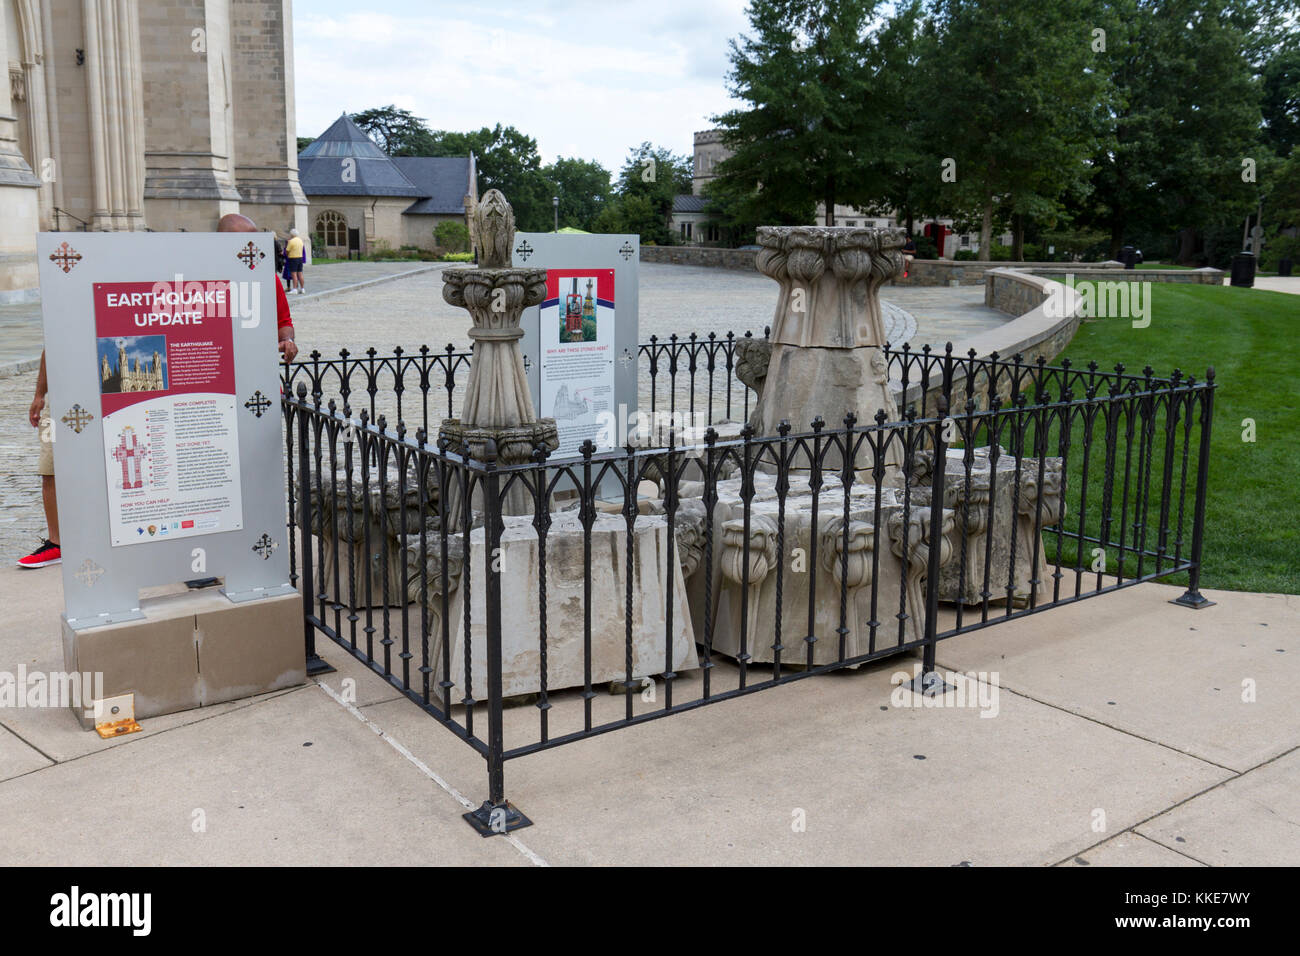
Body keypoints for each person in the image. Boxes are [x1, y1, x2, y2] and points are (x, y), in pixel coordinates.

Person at [217, 213, 299, 362]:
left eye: (255, 240)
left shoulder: (267, 277)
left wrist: (288, 341)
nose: (252, 246)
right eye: (246, 241)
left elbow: (283, 321)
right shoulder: (205, 277)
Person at [18, 350, 60, 568]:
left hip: (101, 394)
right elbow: (49, 346)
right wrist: (39, 395)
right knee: (49, 467)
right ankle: (57, 543)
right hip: (59, 400)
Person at [285, 227, 306, 295]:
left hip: (293, 258)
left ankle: (295, 289)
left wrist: (287, 255)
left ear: (291, 234)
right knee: (300, 274)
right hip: (300, 258)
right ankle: (302, 289)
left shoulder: (291, 241)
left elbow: (287, 251)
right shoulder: (300, 240)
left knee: (294, 274)